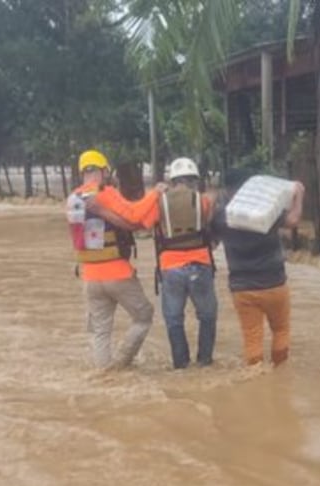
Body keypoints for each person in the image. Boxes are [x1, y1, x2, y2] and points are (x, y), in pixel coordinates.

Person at [67, 149, 165, 370]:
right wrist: (155, 194)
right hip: (118, 274)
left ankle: (104, 373)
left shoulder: (73, 198)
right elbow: (134, 215)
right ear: (103, 171)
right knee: (143, 317)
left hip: (89, 277)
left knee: (100, 331)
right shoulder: (105, 193)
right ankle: (121, 364)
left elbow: (134, 221)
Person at [210, 169, 305, 366]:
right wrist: (299, 196)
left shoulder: (221, 217)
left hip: (242, 287)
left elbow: (210, 241)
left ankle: (256, 376)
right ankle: (280, 374)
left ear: (226, 190)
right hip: (274, 283)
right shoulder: (266, 211)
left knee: (251, 337)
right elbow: (294, 221)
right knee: (280, 330)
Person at [154, 157, 218, 369]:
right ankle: (204, 361)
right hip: (200, 263)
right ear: (194, 180)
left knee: (174, 319)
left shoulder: (159, 201)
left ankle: (181, 365)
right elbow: (210, 227)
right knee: (207, 316)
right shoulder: (204, 201)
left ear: (172, 180)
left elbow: (147, 223)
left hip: (170, 267)